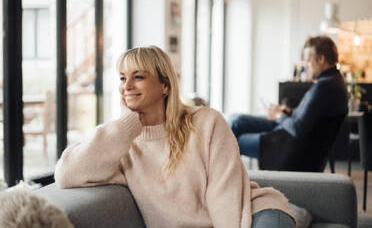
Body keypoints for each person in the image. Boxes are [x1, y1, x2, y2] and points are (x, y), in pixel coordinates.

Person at [55, 46, 295, 228]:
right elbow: (67, 175)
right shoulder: (120, 140)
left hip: (252, 213)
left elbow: (224, 194)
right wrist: (127, 124)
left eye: (138, 77)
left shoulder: (207, 121)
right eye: (122, 77)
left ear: (165, 86)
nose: (126, 85)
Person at [229, 35, 348, 159]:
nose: (304, 66)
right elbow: (309, 119)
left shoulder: (324, 87)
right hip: (286, 135)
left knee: (230, 141)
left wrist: (279, 116)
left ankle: (217, 172)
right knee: (236, 120)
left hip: (287, 147)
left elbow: (298, 128)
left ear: (321, 59)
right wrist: (288, 112)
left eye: (308, 60)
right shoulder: (332, 82)